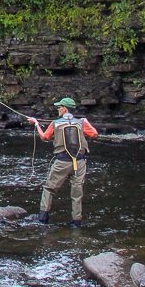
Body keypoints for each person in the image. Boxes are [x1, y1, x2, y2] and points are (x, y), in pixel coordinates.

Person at [27, 97, 99, 227]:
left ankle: (43, 219)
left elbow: (44, 137)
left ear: (65, 108)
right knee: (77, 193)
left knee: (49, 189)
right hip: (80, 163)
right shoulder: (82, 122)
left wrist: (37, 124)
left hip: (62, 162)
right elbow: (94, 134)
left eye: (59, 107)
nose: (58, 109)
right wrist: (85, 122)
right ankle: (76, 222)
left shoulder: (55, 123)